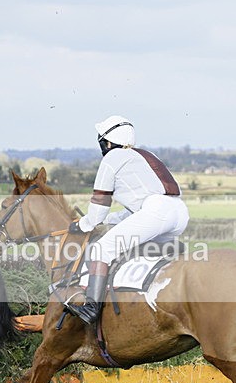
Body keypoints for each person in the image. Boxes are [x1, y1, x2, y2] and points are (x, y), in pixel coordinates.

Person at [65, 115, 190, 325]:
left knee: (101, 250)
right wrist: (110, 221)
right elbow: (135, 210)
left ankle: (91, 307)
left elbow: (98, 208)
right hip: (178, 212)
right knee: (138, 249)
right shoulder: (144, 155)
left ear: (106, 142)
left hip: (155, 213)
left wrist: (83, 224)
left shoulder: (111, 159)